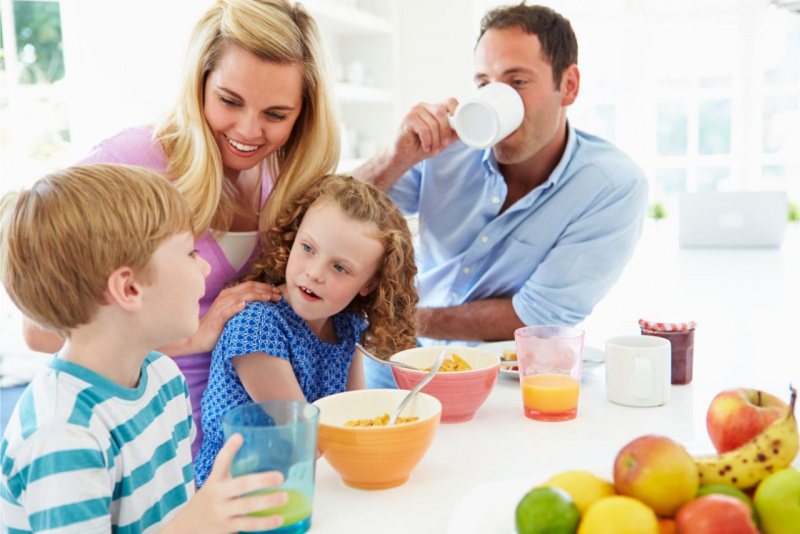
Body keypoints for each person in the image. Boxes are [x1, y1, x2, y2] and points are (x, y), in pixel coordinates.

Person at [21, 0, 340, 456]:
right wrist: (195, 336)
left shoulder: (282, 181)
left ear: (303, 115)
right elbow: (40, 329)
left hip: (260, 450)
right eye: (230, 101)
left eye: (276, 115)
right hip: (155, 454)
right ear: (199, 84)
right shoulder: (131, 163)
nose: (249, 131)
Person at [354, 3, 648, 387]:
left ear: (569, 86)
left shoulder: (611, 187)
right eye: (485, 84)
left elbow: (534, 317)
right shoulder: (447, 147)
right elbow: (336, 213)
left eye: (517, 82)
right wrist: (396, 156)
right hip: (394, 359)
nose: (497, 98)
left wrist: (399, 317)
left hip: (502, 377)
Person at [0, 164, 290, 533]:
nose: (204, 268)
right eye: (190, 252)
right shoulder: (62, 435)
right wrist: (197, 523)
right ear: (129, 289)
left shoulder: (163, 378)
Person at [193, 174, 418, 486]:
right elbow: (305, 440)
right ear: (294, 236)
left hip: (307, 482)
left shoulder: (345, 324)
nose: (314, 273)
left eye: (340, 268)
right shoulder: (256, 327)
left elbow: (358, 416)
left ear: (369, 284)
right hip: (236, 496)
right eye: (308, 248)